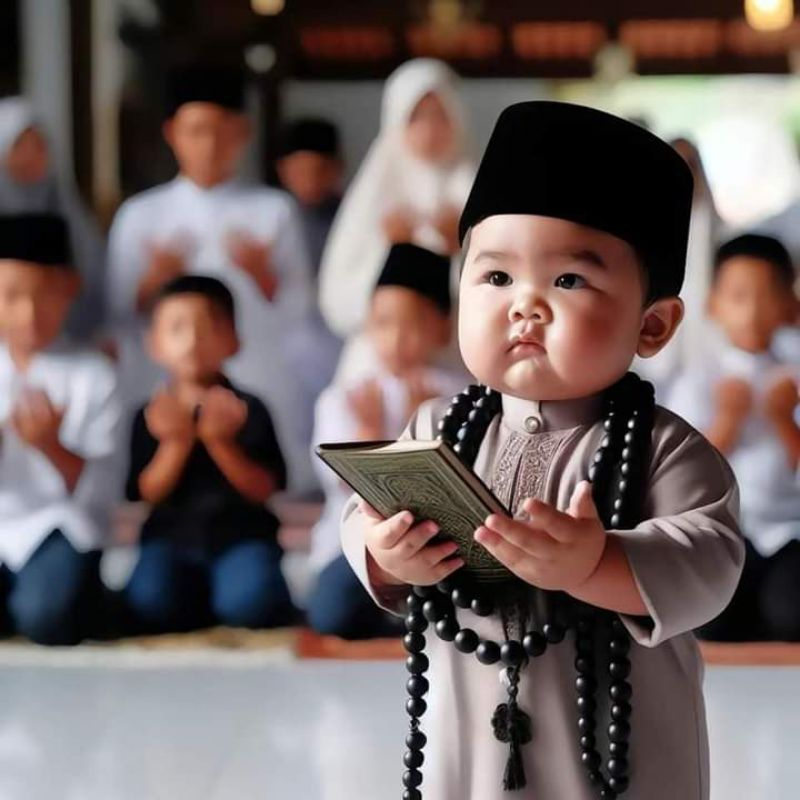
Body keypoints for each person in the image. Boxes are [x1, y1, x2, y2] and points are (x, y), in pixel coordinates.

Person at [336, 103, 744, 799]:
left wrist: (599, 562)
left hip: (616, 736)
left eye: (569, 280)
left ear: (653, 325)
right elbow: (365, 510)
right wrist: (383, 549)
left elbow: (710, 560)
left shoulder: (664, 447)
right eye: (495, 278)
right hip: (467, 729)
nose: (525, 306)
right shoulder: (439, 425)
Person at [105, 65, 318, 495]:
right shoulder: (140, 214)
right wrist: (154, 280)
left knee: (261, 462)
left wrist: (261, 275)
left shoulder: (273, 210)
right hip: (168, 369)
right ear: (172, 133)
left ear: (242, 133)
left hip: (255, 362)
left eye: (222, 131)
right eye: (196, 130)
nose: (209, 144)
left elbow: (300, 310)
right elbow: (116, 312)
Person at [308, 244, 464, 639]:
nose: (395, 337)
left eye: (411, 324)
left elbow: (459, 486)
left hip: (441, 546)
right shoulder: (345, 395)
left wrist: (421, 422)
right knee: (331, 612)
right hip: (360, 544)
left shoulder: (460, 395)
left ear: (443, 327)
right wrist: (370, 435)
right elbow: (340, 485)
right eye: (382, 322)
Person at [124, 275, 295, 633]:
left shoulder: (249, 408)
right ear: (154, 343)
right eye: (176, 328)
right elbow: (146, 493)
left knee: (254, 604)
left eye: (207, 327)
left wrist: (221, 442)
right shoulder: (151, 413)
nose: (192, 341)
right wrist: (177, 442)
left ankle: (222, 591)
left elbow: (265, 489)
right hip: (170, 538)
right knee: (149, 605)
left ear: (233, 340)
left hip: (240, 537)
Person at [669, 234, 800, 642]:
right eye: (739, 296)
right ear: (713, 305)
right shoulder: (699, 380)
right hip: (723, 532)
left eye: (767, 295)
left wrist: (783, 421)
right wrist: (726, 421)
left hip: (788, 533)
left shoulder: (793, 379)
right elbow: (679, 474)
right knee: (711, 620)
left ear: (791, 306)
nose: (753, 311)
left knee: (792, 615)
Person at [0, 213, 121, 645]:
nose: (29, 314)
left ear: (70, 289)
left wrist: (50, 446)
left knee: (48, 619)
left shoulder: (94, 374)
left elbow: (103, 494)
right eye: (12, 296)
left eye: (44, 295)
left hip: (58, 526)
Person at [318, 58, 475, 382]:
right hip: (377, 366)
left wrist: (461, 251)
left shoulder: (475, 190)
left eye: (439, 115)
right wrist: (392, 253)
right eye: (417, 116)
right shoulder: (374, 195)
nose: (430, 129)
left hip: (458, 365)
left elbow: (503, 291)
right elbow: (337, 298)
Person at [0, 96, 106, 343]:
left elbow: (90, 269)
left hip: (65, 341)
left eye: (39, 145)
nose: (31, 155)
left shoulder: (63, 202)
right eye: (20, 145)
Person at [635, 137, 724, 398]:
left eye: (691, 164)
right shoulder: (642, 228)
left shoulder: (717, 228)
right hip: (654, 337)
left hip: (706, 336)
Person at [276, 117, 343, 277]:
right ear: (282, 170)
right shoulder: (269, 216)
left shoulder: (352, 216)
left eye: (320, 170)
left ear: (338, 168)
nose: (310, 181)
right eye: (300, 171)